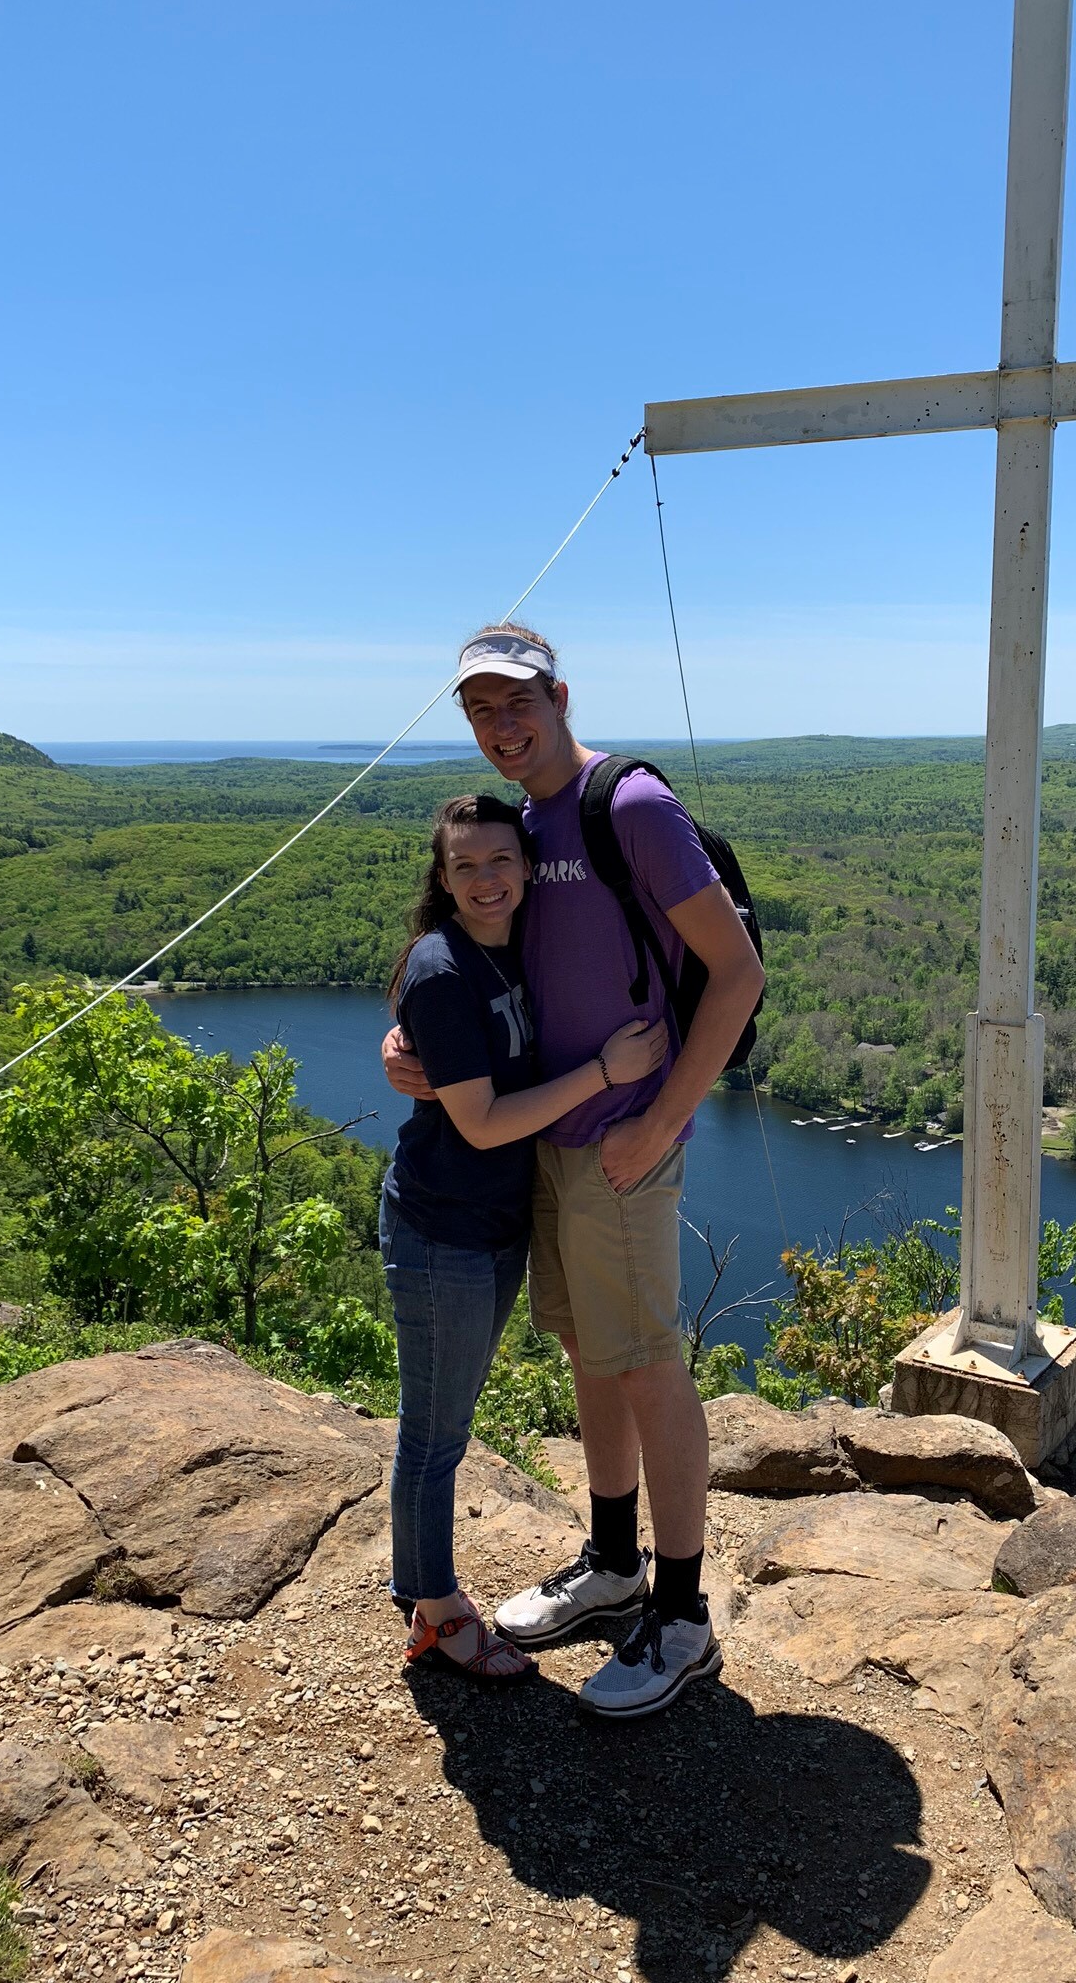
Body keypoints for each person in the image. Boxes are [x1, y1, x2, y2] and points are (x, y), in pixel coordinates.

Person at [384, 627, 766, 1719]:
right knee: (591, 1352)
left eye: (518, 703)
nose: (502, 726)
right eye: (480, 711)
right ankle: (612, 1562)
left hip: (623, 1145)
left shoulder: (626, 805)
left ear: (559, 697)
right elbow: (481, 962)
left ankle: (681, 1617)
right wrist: (414, 1046)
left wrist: (660, 1123)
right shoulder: (521, 824)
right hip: (550, 1145)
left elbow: (737, 974)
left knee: (645, 1364)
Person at [382, 791, 667, 1685]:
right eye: (464, 865)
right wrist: (605, 1073)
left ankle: (430, 1594)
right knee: (436, 1431)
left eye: (501, 859)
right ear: (442, 877)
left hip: (496, 1224)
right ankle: (436, 1611)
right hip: (444, 1229)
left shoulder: (518, 947)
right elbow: (482, 1123)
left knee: (444, 1421)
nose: (486, 879)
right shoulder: (442, 967)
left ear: (528, 867)